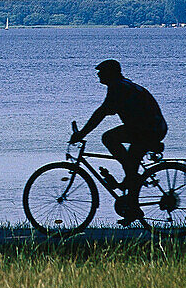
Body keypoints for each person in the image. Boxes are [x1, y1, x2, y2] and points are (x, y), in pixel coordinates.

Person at [70, 59, 168, 225]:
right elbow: (103, 112)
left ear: (111, 73)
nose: (98, 74)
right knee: (129, 165)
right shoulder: (123, 85)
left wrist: (81, 134)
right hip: (148, 128)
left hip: (149, 129)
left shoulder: (118, 87)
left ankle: (133, 196)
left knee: (109, 138)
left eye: (101, 72)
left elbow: (101, 113)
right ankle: (132, 196)